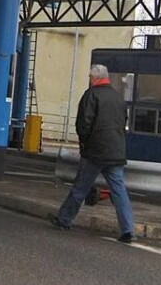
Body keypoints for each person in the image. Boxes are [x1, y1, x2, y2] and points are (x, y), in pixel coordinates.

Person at [50, 64, 136, 243]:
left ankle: (64, 219)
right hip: (116, 151)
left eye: (90, 77)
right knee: (119, 191)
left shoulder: (91, 95)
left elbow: (84, 124)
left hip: (95, 151)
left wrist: (84, 144)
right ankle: (128, 230)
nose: (89, 79)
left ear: (95, 78)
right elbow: (123, 122)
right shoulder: (118, 97)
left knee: (80, 187)